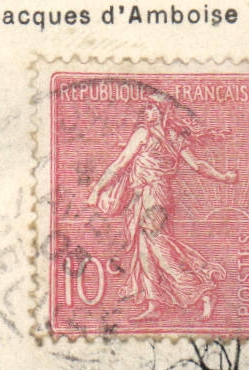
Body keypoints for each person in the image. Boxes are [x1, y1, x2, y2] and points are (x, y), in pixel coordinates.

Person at [85, 93, 240, 321]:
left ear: (161, 111)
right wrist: (223, 176)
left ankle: (203, 290)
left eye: (150, 108)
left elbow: (120, 164)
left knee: (158, 247)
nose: (146, 112)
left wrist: (97, 190)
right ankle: (154, 303)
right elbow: (198, 165)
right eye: (146, 108)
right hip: (145, 197)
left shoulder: (145, 134)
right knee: (145, 250)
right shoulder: (174, 137)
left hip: (153, 196)